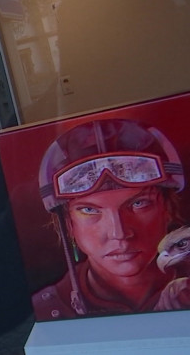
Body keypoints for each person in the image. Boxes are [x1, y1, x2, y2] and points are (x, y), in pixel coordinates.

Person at [33, 119, 190, 319]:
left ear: (167, 208)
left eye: (139, 204)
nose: (120, 233)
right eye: (89, 209)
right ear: (67, 224)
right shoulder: (48, 311)